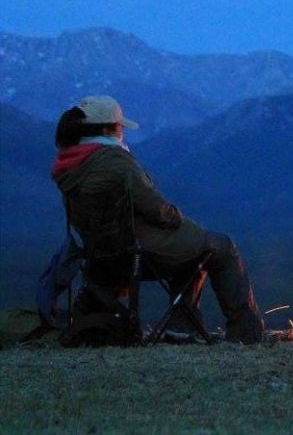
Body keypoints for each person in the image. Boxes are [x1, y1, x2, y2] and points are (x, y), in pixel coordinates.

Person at [51, 95, 265, 344]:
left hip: (102, 256)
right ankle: (248, 334)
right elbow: (157, 209)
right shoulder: (114, 161)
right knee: (222, 246)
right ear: (108, 128)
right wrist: (177, 218)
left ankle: (183, 327)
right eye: (121, 127)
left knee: (193, 251)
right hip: (137, 252)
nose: (123, 132)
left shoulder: (70, 165)